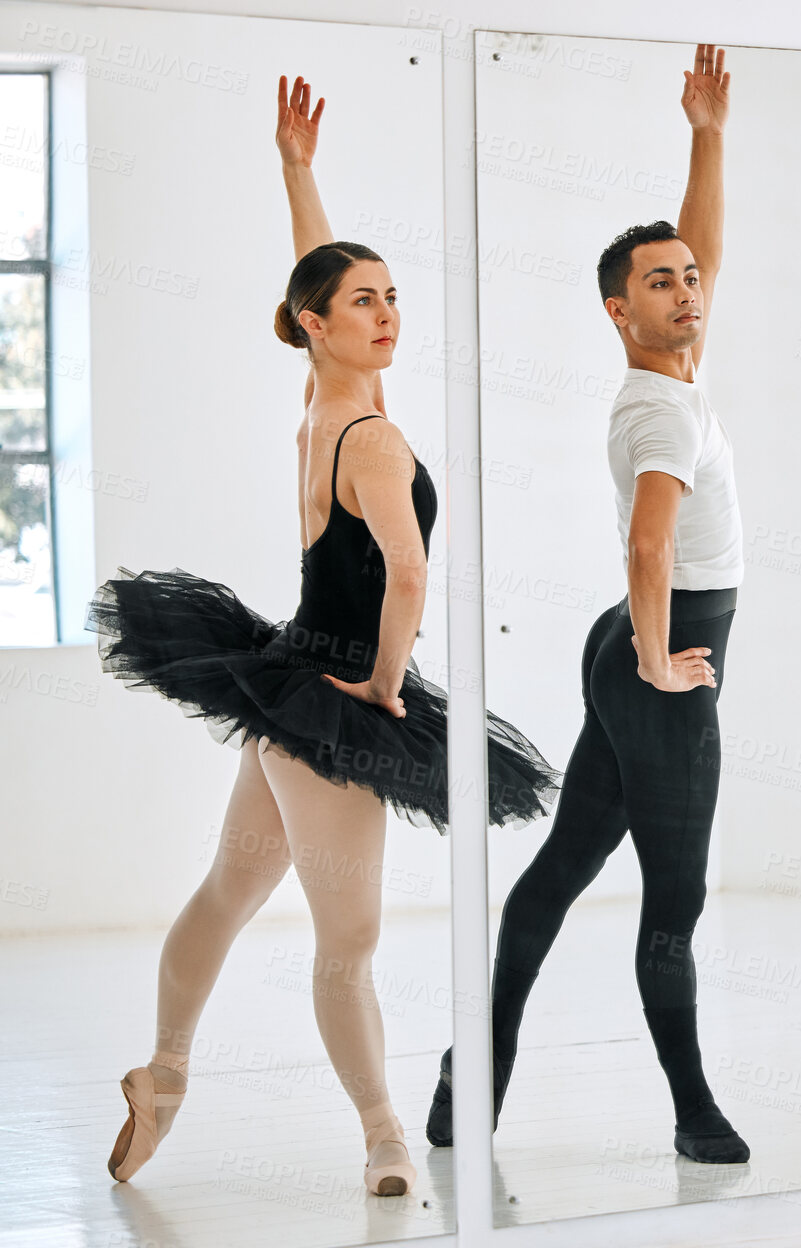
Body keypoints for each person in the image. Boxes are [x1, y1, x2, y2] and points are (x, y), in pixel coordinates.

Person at [89, 75, 559, 1196]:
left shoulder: (327, 401)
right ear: (317, 322)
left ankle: (160, 1075)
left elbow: (316, 278)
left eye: (393, 296)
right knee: (346, 946)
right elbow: (406, 572)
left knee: (227, 892)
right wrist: (390, 690)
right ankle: (386, 1136)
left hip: (282, 681)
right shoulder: (375, 440)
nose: (386, 314)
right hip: (332, 700)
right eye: (365, 302)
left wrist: (298, 172)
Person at [425, 43, 747, 1165]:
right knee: (673, 905)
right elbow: (651, 545)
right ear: (619, 311)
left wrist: (705, 136)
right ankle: (694, 1112)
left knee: (561, 871)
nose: (687, 288)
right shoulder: (660, 410)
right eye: (660, 283)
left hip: (627, 651)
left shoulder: (675, 374)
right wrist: (662, 665)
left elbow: (696, 246)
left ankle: (469, 1086)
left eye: (689, 278)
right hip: (657, 656)